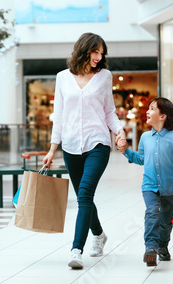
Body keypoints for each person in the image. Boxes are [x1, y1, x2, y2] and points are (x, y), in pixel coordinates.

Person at [43, 32, 127, 269]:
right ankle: (99, 234)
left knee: (85, 194)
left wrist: (119, 132)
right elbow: (58, 115)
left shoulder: (104, 77)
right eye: (95, 52)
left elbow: (109, 110)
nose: (99, 57)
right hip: (70, 146)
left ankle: (76, 249)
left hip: (97, 143)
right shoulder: (62, 78)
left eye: (102, 53)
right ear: (84, 50)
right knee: (83, 196)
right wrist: (52, 148)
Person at [116, 97, 173, 267]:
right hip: (149, 186)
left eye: (152, 108)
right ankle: (150, 249)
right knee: (152, 212)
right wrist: (126, 151)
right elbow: (141, 159)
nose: (147, 111)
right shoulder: (145, 137)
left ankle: (162, 246)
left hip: (170, 189)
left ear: (162, 116)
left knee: (166, 222)